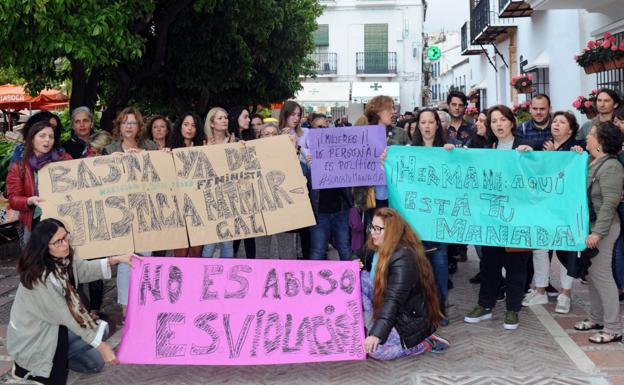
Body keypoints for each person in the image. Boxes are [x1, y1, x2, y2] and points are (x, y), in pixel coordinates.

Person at [7, 218, 137, 384]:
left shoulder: (63, 259)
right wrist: (101, 346)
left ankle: (62, 356)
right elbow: (69, 315)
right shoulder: (40, 279)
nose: (65, 244)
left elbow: (84, 269)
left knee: (95, 357)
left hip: (56, 328)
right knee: (93, 341)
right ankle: (24, 368)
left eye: (66, 237)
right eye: (58, 242)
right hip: (35, 338)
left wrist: (117, 259)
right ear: (44, 247)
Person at [464, 105, 533, 330]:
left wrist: (531, 158)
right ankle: (485, 305)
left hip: (518, 218)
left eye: (503, 120)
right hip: (491, 218)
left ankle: (513, 309)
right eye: (494, 121)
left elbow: (543, 171)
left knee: (516, 265)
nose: (498, 125)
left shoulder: (527, 146)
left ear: (511, 122)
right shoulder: (485, 147)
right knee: (489, 264)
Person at [355, 208, 449, 360]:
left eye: (378, 229)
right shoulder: (378, 243)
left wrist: (376, 335)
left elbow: (393, 301)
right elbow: (359, 253)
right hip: (387, 303)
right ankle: (372, 327)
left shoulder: (403, 258)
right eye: (371, 227)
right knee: (355, 279)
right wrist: (354, 261)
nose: (372, 232)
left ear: (391, 231)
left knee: (376, 351)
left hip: (410, 318)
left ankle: (424, 343)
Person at [523, 111, 583, 314]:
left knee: (566, 249)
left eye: (562, 122)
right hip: (544, 207)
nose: (556, 124)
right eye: (555, 121)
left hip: (566, 209)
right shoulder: (544, 146)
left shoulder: (577, 148)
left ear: (571, 128)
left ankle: (565, 293)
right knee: (540, 248)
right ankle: (540, 290)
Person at [573, 121, 624, 343]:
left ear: (601, 142)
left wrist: (598, 233)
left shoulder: (612, 167)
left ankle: (613, 327)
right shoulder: (596, 162)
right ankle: (596, 317)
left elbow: (609, 203)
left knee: (602, 276)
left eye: (592, 134)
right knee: (593, 275)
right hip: (593, 228)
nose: (587, 137)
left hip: (604, 229)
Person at [6, 121, 72, 248]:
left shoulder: (65, 159)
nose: (47, 140)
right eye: (42, 136)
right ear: (32, 138)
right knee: (35, 262)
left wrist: (111, 160)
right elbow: (13, 199)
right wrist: (29, 201)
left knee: (63, 259)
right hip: (35, 222)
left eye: (51, 136)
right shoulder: (19, 167)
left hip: (63, 219)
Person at [308, 113, 353, 261]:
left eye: (326, 126)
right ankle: (313, 282)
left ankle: (351, 282)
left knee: (344, 248)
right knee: (318, 250)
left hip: (340, 209)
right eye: (319, 127)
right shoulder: (305, 152)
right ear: (312, 130)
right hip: (318, 212)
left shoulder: (340, 149)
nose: (323, 129)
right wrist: (309, 165)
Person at [166, 112, 206, 258]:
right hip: (178, 208)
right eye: (186, 124)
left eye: (193, 125)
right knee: (181, 252)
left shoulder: (204, 147)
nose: (189, 128)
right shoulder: (169, 149)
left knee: (196, 252)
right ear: (180, 127)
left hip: (199, 207)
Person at [202, 108, 235, 258]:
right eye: (220, 118)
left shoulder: (234, 141)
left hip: (230, 198)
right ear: (212, 123)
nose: (224, 120)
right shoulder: (203, 143)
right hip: (209, 199)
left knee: (227, 242)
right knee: (209, 243)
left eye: (226, 117)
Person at [228, 107, 257, 258]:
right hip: (231, 196)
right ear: (235, 118)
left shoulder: (250, 138)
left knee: (250, 234)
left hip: (248, 194)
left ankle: (253, 265)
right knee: (234, 237)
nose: (249, 120)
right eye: (245, 117)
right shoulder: (227, 139)